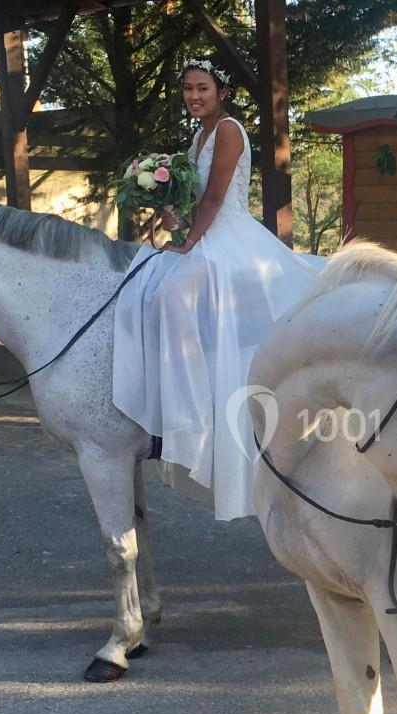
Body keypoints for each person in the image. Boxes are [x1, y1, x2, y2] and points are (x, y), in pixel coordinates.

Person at [112, 57, 320, 520]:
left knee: (173, 294)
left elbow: (215, 196)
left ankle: (192, 416)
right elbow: (191, 200)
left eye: (202, 88)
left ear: (220, 91)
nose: (194, 96)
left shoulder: (227, 130)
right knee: (146, 282)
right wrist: (172, 217)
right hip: (204, 232)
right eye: (187, 88)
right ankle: (160, 399)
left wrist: (187, 240)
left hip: (227, 236)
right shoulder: (197, 135)